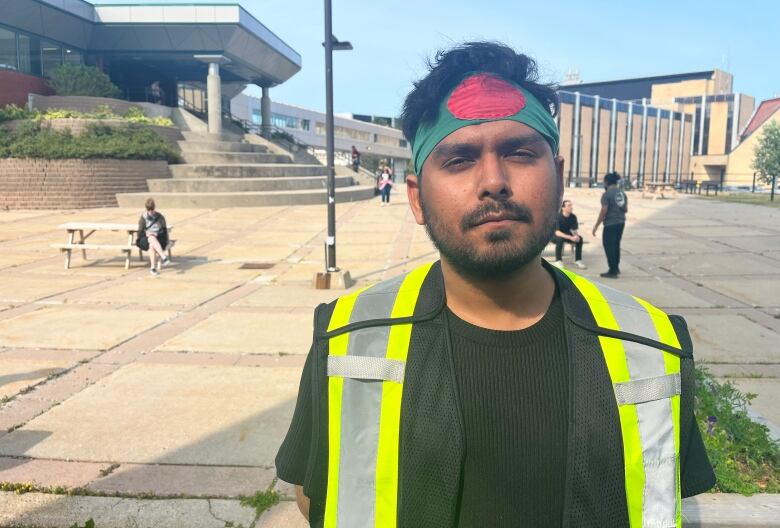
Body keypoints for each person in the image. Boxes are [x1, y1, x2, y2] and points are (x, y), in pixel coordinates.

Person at [276, 42, 714, 528]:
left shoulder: (652, 345)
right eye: (459, 160)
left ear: (560, 177)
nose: (493, 181)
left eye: (520, 153)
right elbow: (315, 494)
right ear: (417, 199)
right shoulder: (347, 338)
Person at [592, 171, 628, 278]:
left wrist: (596, 225)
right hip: (621, 222)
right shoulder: (621, 193)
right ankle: (616, 268)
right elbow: (625, 209)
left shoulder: (607, 194)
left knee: (609, 246)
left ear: (606, 182)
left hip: (610, 223)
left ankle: (612, 271)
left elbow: (604, 210)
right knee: (616, 245)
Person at [136, 198, 169, 276]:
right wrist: (147, 234)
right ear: (146, 209)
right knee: (151, 238)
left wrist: (157, 234)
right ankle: (163, 257)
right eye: (149, 209)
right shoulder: (143, 218)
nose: (151, 211)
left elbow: (164, 230)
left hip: (160, 238)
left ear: (154, 208)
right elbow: (140, 232)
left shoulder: (160, 217)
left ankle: (153, 268)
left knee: (152, 244)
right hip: (145, 239)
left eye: (152, 209)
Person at [552, 199, 586, 269]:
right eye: (569, 205)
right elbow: (557, 232)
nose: (571, 207)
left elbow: (574, 230)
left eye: (571, 205)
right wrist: (570, 237)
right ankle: (558, 261)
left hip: (567, 235)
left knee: (580, 239)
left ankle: (578, 260)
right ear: (563, 208)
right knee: (560, 239)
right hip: (555, 236)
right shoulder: (558, 217)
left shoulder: (573, 217)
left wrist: (576, 236)